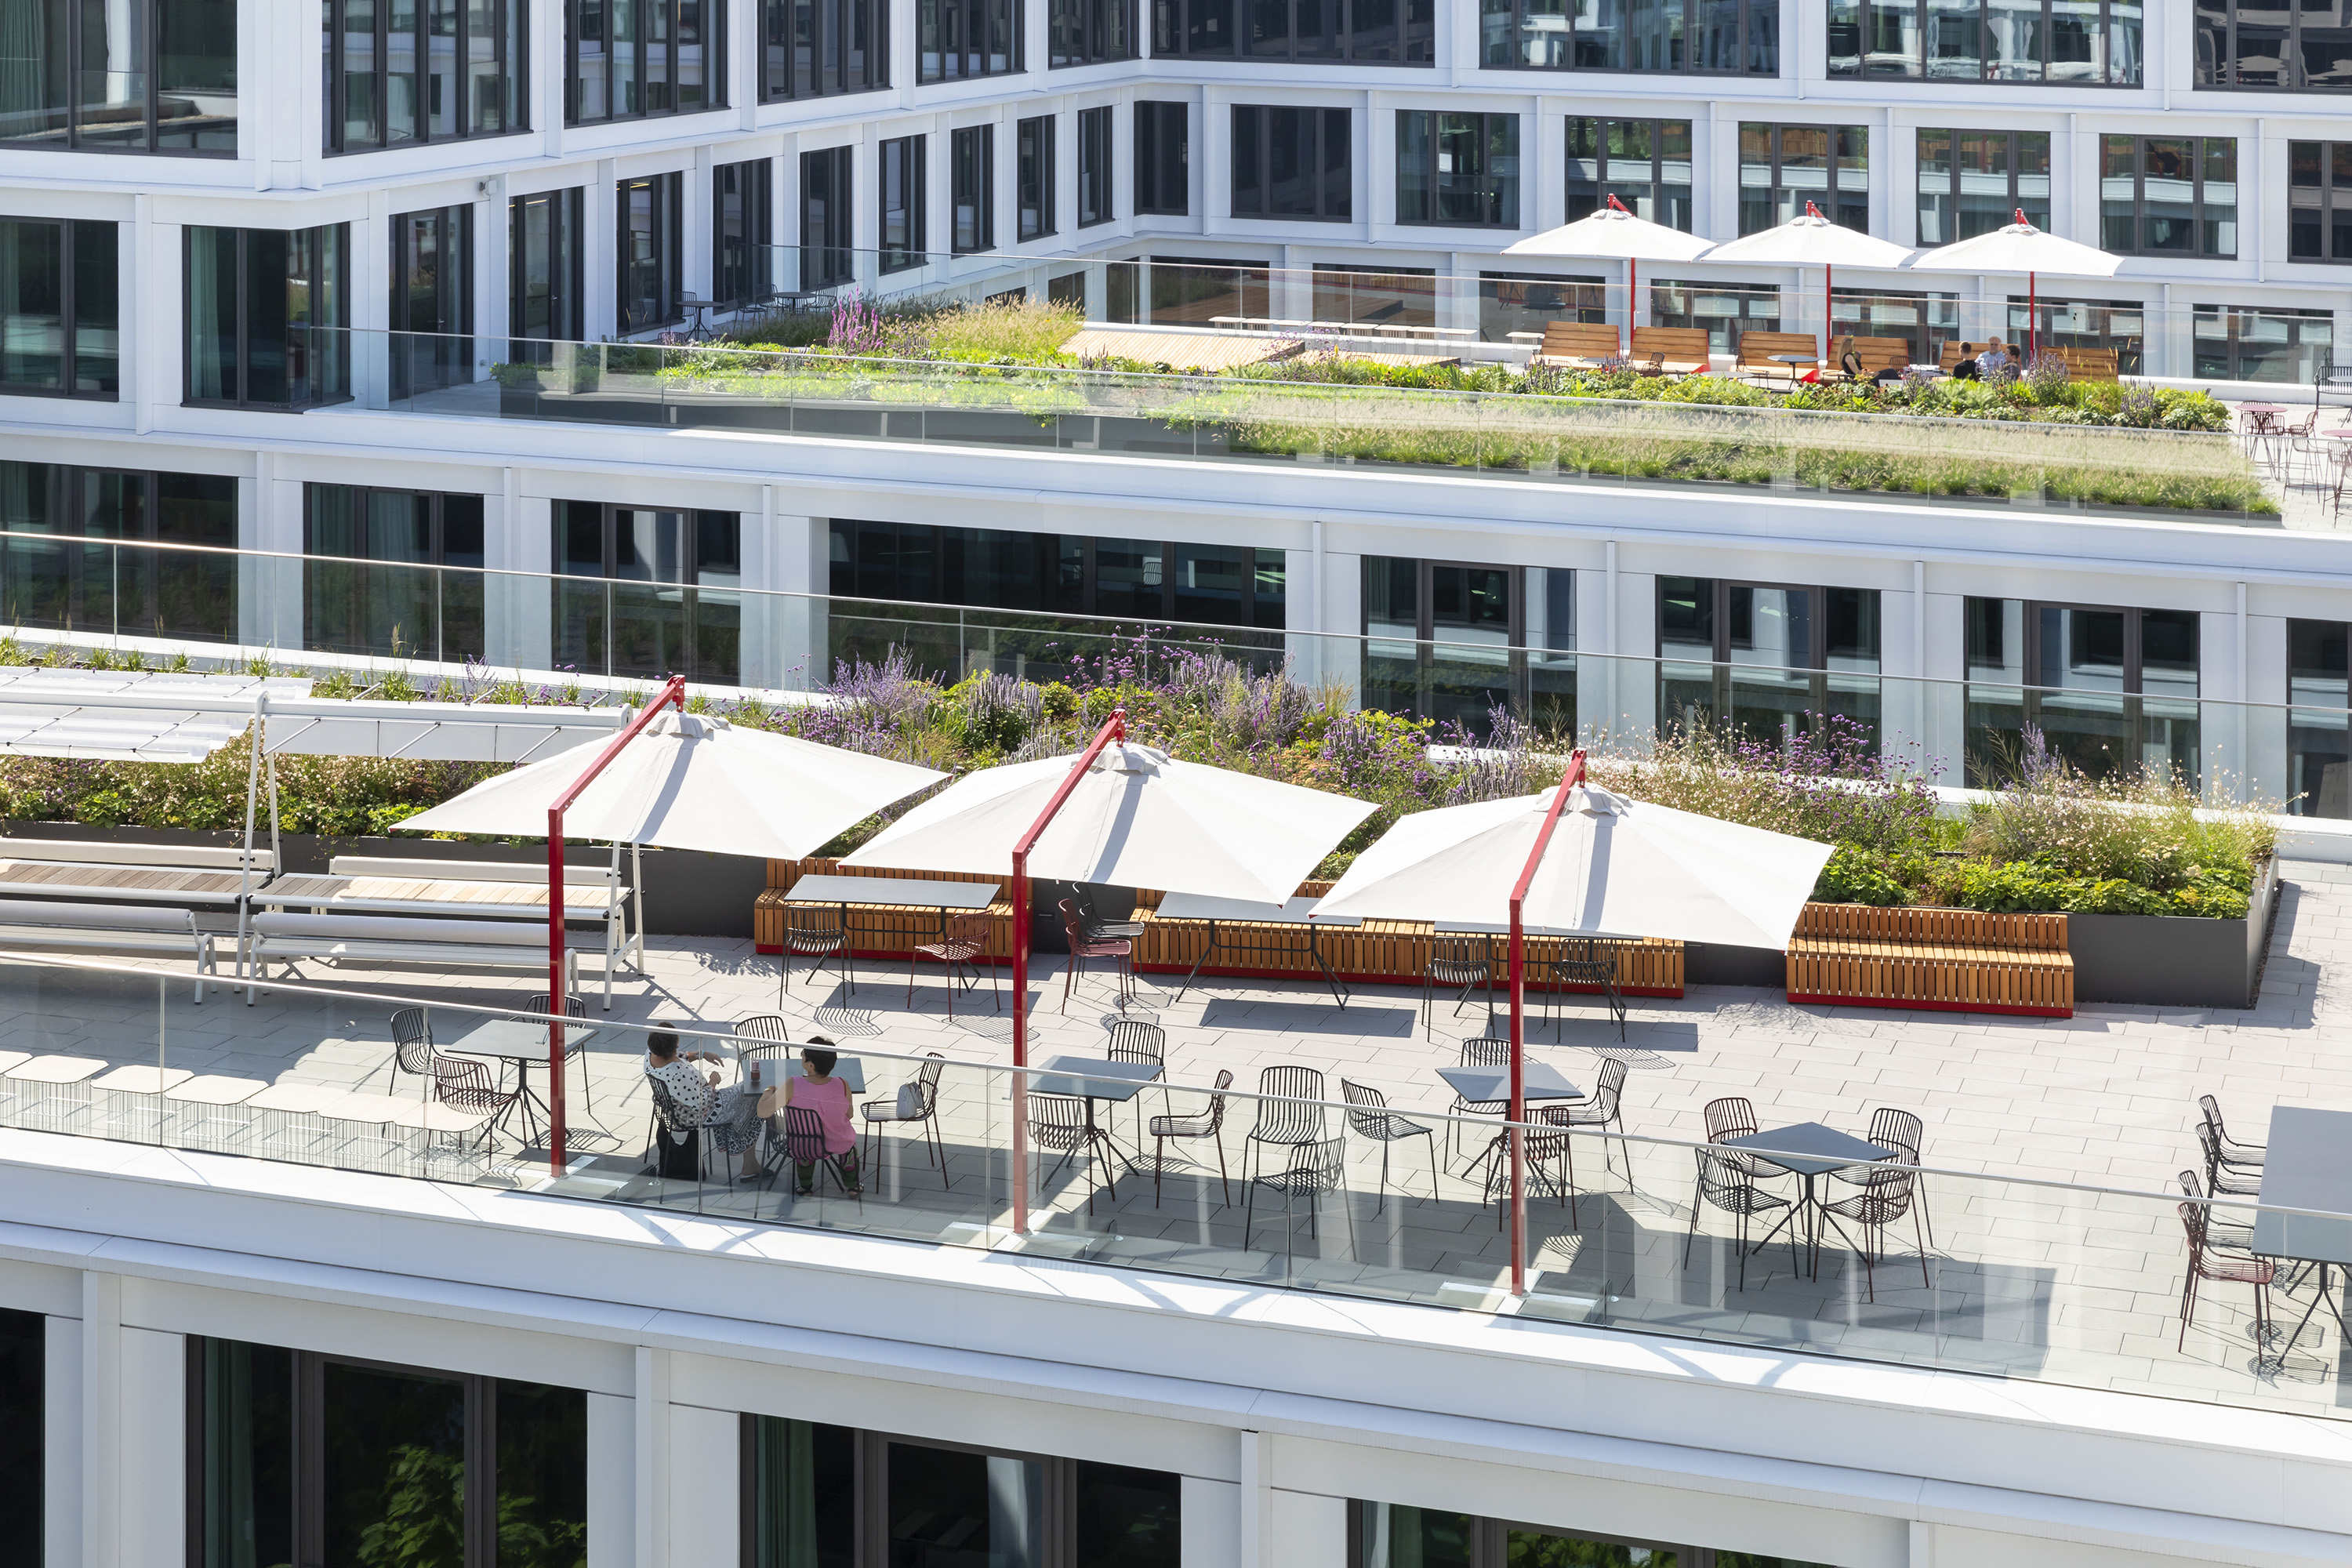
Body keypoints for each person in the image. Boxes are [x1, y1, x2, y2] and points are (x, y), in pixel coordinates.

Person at [644, 1029, 775, 1180]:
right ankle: (752, 1160)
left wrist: (702, 1054)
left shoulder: (651, 1054)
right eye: (675, 1046)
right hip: (698, 1112)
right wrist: (714, 1081)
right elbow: (701, 1103)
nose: (677, 1048)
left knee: (752, 1092)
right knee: (755, 1094)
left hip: (683, 1106)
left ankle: (751, 1158)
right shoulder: (676, 1075)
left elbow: (678, 1057)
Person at [782, 1039, 861, 1196]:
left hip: (805, 1143)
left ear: (811, 1065)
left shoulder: (793, 1084)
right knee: (849, 1146)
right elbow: (850, 1114)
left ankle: (805, 1186)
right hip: (837, 1141)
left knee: (804, 1144)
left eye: (803, 1054)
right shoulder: (842, 1084)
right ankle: (853, 1185)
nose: (802, 1056)